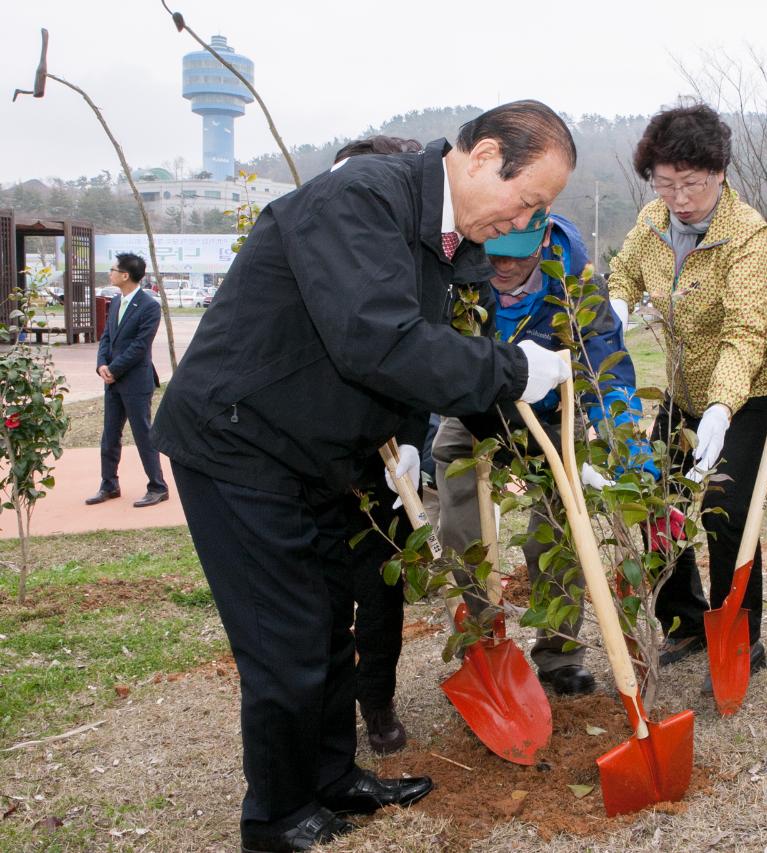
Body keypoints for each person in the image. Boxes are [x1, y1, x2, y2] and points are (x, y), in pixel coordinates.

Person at [151, 101, 575, 853]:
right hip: (241, 439)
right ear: (481, 157)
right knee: (284, 635)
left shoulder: (440, 239)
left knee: (327, 626)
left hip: (318, 450)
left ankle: (333, 776)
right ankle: (278, 815)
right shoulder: (363, 198)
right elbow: (377, 339)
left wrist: (407, 438)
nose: (525, 218)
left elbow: (415, 360)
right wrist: (511, 369)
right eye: (529, 198)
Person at [433, 208, 651, 696]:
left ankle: (559, 653)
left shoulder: (575, 286)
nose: (500, 266)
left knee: (556, 532)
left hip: (549, 414)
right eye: (492, 254)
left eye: (514, 257)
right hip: (471, 410)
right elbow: (425, 353)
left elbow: (605, 372)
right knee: (463, 533)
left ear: (541, 244)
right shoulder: (461, 273)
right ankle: (482, 644)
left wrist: (623, 446)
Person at [608, 103, 767, 682]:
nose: (679, 197)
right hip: (682, 392)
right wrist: (613, 304)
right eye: (666, 183)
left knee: (725, 509)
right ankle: (683, 619)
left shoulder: (749, 238)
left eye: (692, 183)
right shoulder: (652, 221)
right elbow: (625, 273)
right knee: (656, 500)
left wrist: (721, 405)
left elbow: (747, 332)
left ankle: (741, 632)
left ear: (720, 173)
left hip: (744, 396)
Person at [327, 135, 432, 756]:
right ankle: (333, 702)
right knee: (325, 595)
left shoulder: (412, 260)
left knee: (381, 588)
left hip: (387, 466)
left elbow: (420, 359)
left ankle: (379, 699)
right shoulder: (315, 251)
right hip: (319, 461)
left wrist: (413, 439)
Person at [85, 252, 169, 508]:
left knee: (144, 435)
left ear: (125, 275)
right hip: (112, 381)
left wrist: (114, 369)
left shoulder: (149, 306)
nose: (109, 273)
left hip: (135, 382)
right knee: (110, 435)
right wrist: (102, 365)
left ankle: (157, 487)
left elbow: (140, 346)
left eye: (113, 269)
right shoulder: (117, 301)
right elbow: (107, 337)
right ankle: (109, 485)